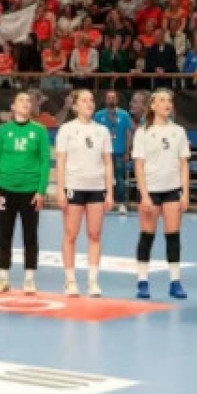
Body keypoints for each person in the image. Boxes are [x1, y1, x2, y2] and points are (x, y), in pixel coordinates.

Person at [0, 91, 51, 295]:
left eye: (28, 101)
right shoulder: (3, 131)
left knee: (30, 235)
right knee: (4, 234)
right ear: (13, 107)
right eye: (21, 100)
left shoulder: (39, 131)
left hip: (30, 190)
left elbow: (45, 162)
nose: (26, 103)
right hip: (6, 189)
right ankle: (3, 278)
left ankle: (29, 279)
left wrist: (41, 190)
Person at [132, 88, 191, 300]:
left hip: (172, 190)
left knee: (173, 236)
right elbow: (139, 166)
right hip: (151, 191)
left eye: (169, 100)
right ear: (153, 105)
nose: (167, 104)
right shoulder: (143, 132)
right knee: (147, 235)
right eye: (162, 100)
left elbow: (183, 164)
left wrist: (185, 193)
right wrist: (145, 195)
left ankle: (175, 281)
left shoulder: (179, 132)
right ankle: (142, 281)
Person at [55, 90, 114, 297]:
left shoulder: (102, 131)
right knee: (71, 234)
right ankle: (70, 280)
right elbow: (61, 160)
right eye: (84, 100)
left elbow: (108, 162)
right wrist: (60, 190)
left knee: (95, 234)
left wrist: (109, 192)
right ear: (75, 106)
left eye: (91, 100)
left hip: (96, 187)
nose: (89, 103)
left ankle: (93, 281)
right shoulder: (67, 129)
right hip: (74, 186)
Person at [93, 90, 134, 215]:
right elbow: (94, 134)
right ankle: (102, 202)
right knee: (102, 178)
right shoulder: (98, 115)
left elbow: (128, 134)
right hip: (103, 153)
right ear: (105, 100)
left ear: (117, 100)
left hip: (119, 152)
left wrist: (127, 151)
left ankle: (121, 204)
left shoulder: (124, 115)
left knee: (120, 179)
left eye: (113, 97)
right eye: (109, 97)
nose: (111, 99)